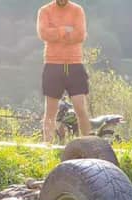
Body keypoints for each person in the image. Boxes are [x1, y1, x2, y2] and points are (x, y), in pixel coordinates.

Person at [37, 0, 91, 144]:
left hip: (74, 64)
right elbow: (43, 34)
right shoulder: (45, 11)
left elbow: (80, 35)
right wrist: (64, 30)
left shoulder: (77, 10)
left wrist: (56, 32)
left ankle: (88, 145)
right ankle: (47, 146)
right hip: (53, 64)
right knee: (50, 111)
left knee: (80, 109)